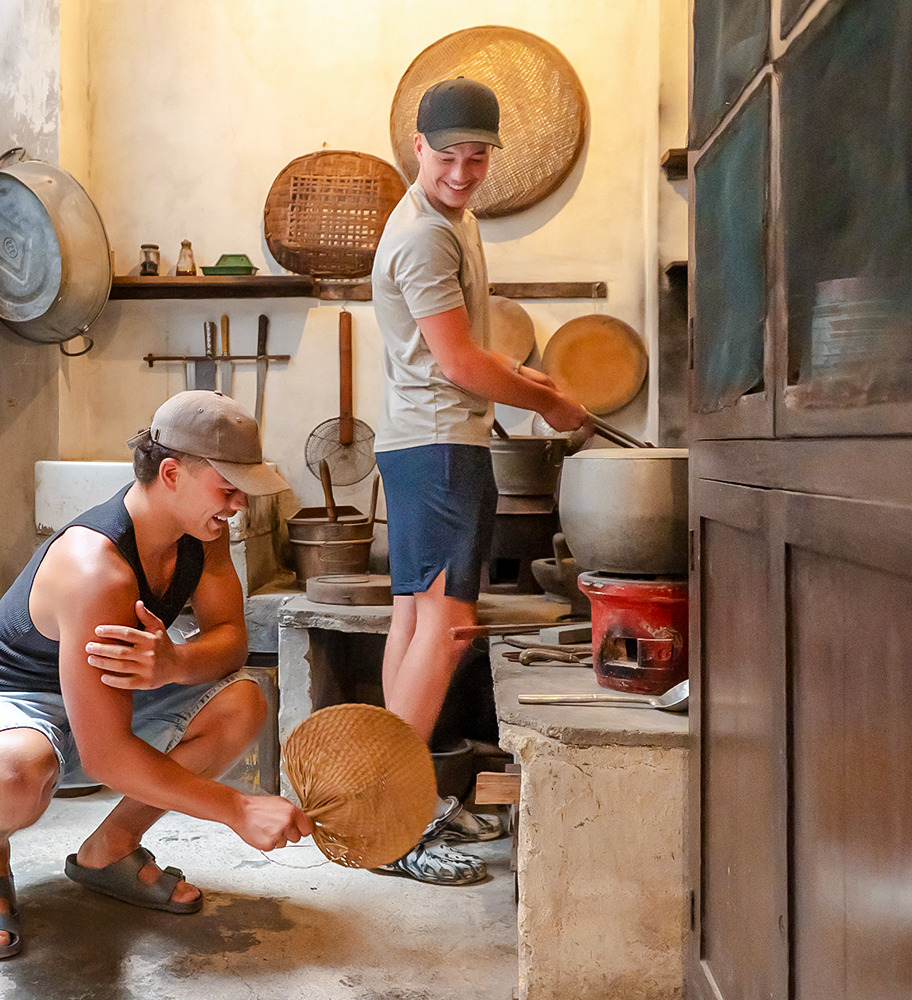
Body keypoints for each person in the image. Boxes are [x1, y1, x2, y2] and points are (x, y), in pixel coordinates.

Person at [0, 390, 313, 961]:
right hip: (1, 704)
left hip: (102, 702)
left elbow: (231, 640)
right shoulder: (97, 570)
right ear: (173, 473)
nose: (238, 505)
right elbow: (106, 757)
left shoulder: (204, 535)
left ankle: (111, 848)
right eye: (228, 488)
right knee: (14, 775)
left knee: (244, 702)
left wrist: (175, 662)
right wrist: (238, 808)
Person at [369, 77, 591, 885]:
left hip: (419, 442)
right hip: (439, 448)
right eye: (449, 156)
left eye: (478, 157)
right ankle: (390, 821)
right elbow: (461, 363)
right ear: (417, 148)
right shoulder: (425, 235)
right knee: (451, 626)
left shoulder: (445, 216)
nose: (463, 173)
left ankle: (392, 803)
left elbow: (464, 352)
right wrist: (550, 400)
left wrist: (532, 387)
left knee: (414, 621)